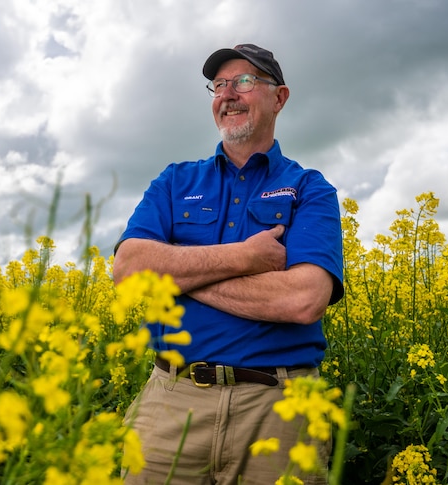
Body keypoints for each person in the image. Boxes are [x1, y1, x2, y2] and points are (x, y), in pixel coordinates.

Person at [113, 43, 345, 484]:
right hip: (171, 399)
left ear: (279, 97)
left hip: (279, 406)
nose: (228, 95)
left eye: (244, 81)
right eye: (219, 85)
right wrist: (245, 257)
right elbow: (128, 270)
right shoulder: (174, 181)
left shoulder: (310, 189)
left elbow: (303, 299)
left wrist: (176, 274)